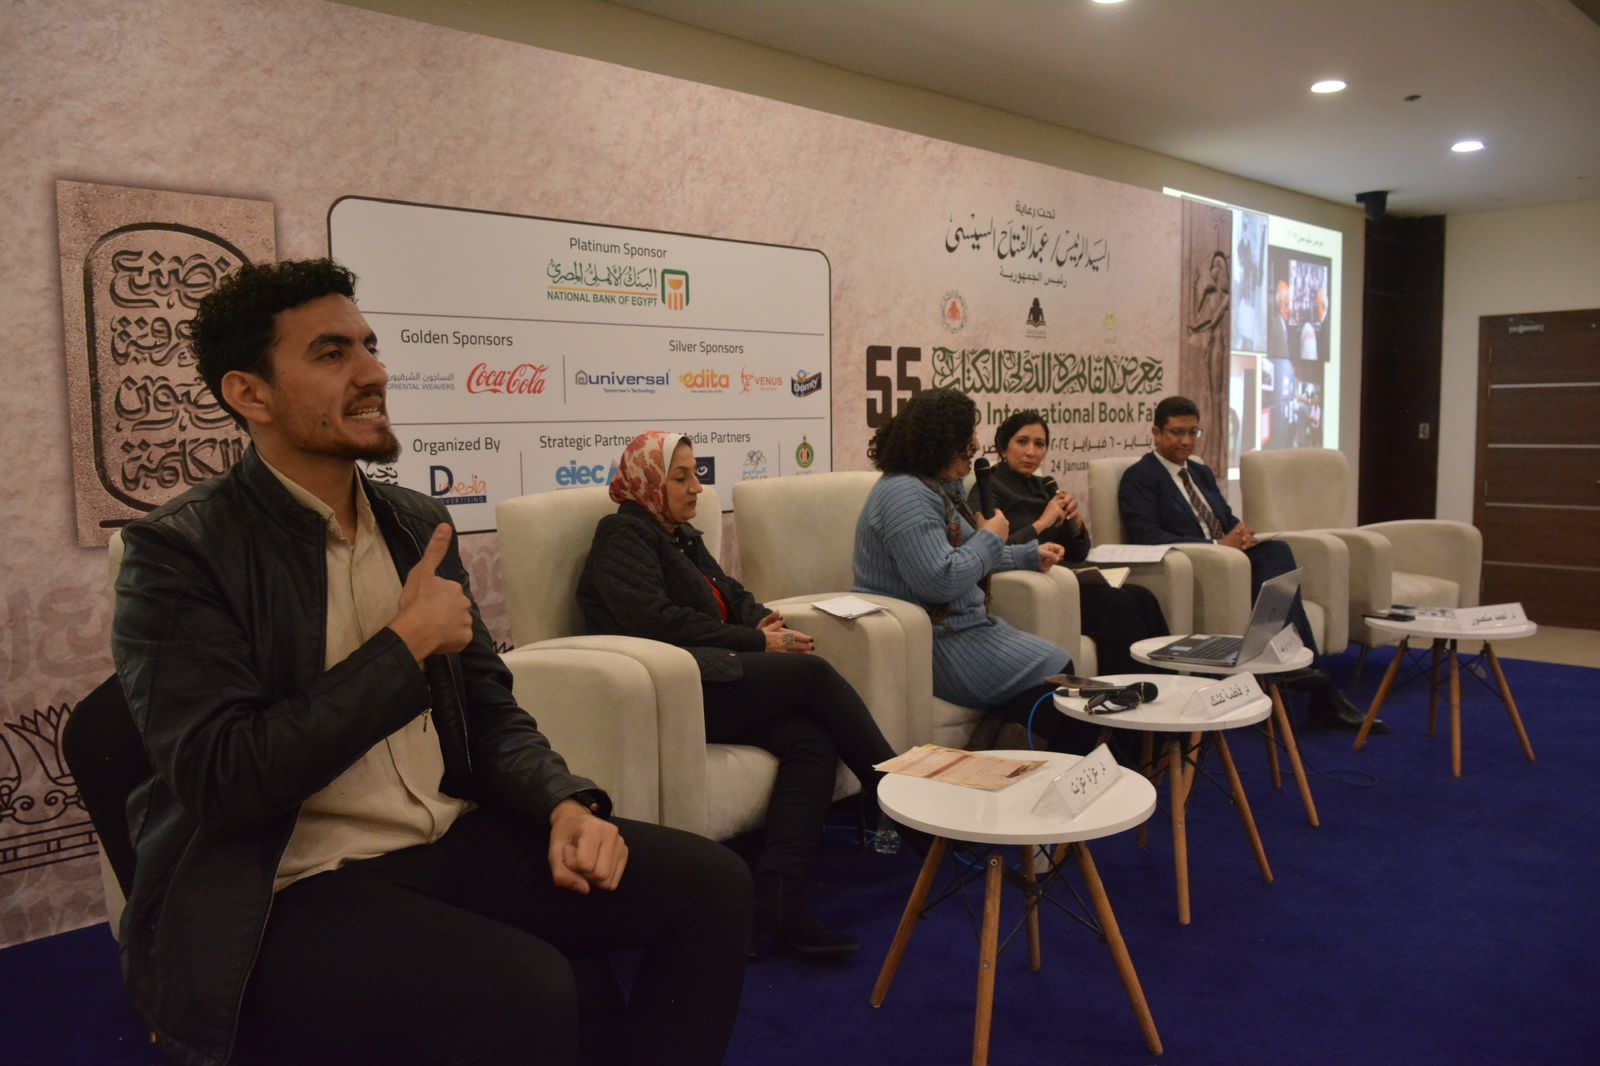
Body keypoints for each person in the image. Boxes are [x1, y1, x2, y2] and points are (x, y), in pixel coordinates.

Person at [111, 259, 749, 1066]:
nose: (372, 372)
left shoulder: (415, 523)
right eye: (331, 353)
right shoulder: (177, 551)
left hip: (441, 834)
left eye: (369, 347)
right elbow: (224, 778)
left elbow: (487, 706)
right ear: (251, 395)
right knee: (528, 990)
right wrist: (403, 647)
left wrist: (562, 803)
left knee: (712, 887)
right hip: (285, 881)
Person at [578, 431, 895, 962]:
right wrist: (756, 641)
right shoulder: (623, 534)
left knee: (810, 741)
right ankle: (897, 796)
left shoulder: (679, 535)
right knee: (813, 677)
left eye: (696, 475)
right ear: (647, 483)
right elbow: (655, 621)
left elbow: (732, 593)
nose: (695, 488)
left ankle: (777, 898)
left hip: (715, 674)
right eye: (680, 478)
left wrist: (763, 622)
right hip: (673, 689)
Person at [851, 388, 1097, 753]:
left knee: (1062, 682)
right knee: (1058, 669)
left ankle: (1005, 752)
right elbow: (940, 579)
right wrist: (990, 537)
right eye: (967, 439)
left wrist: (1027, 556)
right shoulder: (905, 495)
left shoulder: (933, 487)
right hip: (932, 640)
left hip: (963, 628)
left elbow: (966, 554)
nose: (976, 446)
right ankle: (1027, 763)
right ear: (939, 443)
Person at [1116, 395, 1381, 732]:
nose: (1186, 441)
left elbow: (1225, 518)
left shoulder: (1199, 472)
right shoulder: (1140, 477)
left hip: (1231, 560)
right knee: (1268, 565)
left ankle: (1307, 669)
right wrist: (1217, 546)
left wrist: (1241, 534)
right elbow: (1146, 536)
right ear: (1156, 433)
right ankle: (1313, 685)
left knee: (1277, 551)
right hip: (1201, 567)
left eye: (1193, 432)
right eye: (1177, 433)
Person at [987, 410, 1169, 675]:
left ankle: (1169, 683)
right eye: (1022, 442)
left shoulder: (1044, 486)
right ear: (1004, 447)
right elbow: (992, 550)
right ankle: (1126, 686)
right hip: (1041, 586)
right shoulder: (990, 488)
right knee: (1118, 604)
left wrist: (1076, 521)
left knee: (1143, 597)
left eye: (1039, 444)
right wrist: (1043, 522)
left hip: (1071, 577)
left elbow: (1079, 552)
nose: (1031, 452)